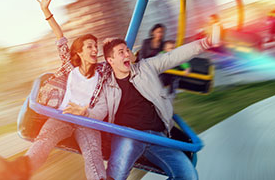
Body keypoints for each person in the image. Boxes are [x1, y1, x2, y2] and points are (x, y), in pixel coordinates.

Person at [0, 0, 110, 180]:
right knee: (44, 139)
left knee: (93, 155)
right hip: (63, 116)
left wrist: (114, 47)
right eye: (90, 46)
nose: (94, 49)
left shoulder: (103, 71)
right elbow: (60, 37)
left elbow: (120, 61)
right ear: (80, 52)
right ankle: (17, 172)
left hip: (87, 120)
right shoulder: (69, 67)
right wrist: (46, 11)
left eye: (96, 46)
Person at [79, 27, 220, 180]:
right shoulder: (107, 85)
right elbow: (99, 109)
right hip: (128, 135)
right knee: (116, 176)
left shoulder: (146, 67)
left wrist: (204, 43)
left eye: (127, 50)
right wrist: (86, 113)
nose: (127, 54)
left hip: (157, 137)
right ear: (110, 60)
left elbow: (173, 56)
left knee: (188, 175)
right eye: (121, 52)